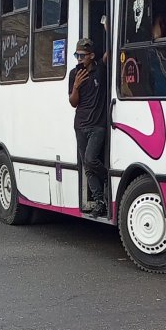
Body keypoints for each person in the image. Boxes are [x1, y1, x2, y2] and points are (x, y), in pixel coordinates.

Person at [68, 38, 107, 217]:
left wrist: (108, 29)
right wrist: (76, 86)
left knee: (91, 159)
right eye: (77, 55)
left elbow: (110, 53)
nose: (79, 59)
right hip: (80, 125)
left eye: (82, 55)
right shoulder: (73, 74)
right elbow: (73, 103)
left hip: (98, 125)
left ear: (91, 55)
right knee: (88, 166)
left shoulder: (101, 70)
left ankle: (108, 178)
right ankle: (100, 201)